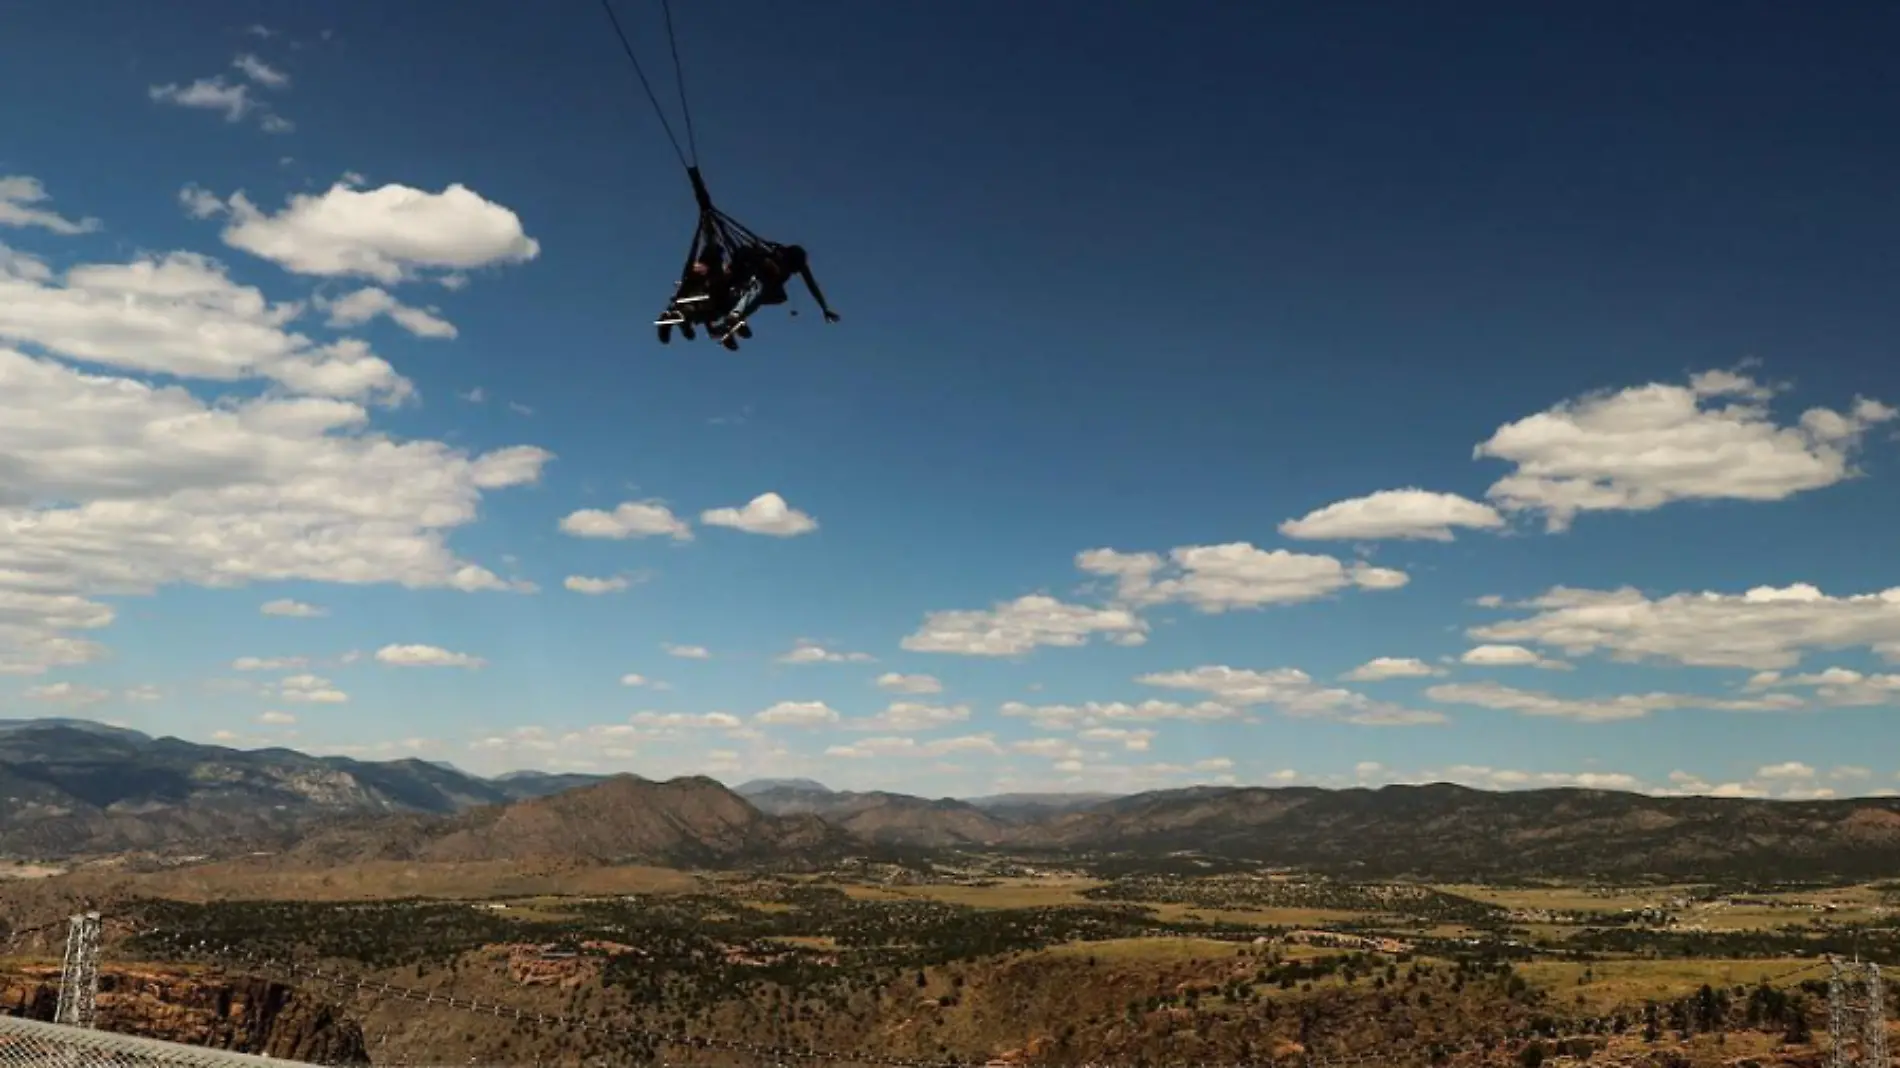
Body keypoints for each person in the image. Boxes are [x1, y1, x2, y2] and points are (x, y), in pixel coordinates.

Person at [712, 243, 840, 343]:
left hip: (768, 287)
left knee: (776, 297)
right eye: (793, 268)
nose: (794, 272)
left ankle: (733, 317)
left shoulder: (799, 265)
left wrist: (824, 308)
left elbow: (812, 286)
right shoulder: (777, 252)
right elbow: (749, 251)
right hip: (753, 276)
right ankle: (735, 313)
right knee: (758, 288)